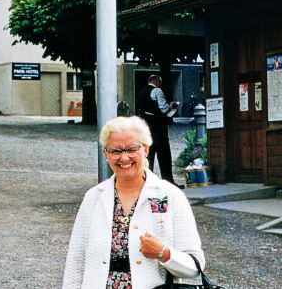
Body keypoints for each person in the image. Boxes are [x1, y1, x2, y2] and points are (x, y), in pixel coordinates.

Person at [62, 116, 205, 288]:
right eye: (115, 151)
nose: (124, 158)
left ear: (145, 149)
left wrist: (163, 253)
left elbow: (195, 266)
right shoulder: (93, 198)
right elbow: (76, 262)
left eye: (131, 149)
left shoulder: (170, 196)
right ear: (105, 153)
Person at [135, 75, 178, 185]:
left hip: (146, 128)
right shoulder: (157, 90)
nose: (160, 84)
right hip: (158, 127)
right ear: (157, 81)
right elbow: (164, 109)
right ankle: (168, 181)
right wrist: (172, 106)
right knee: (164, 155)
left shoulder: (141, 92)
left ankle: (146, 182)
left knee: (148, 156)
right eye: (160, 82)